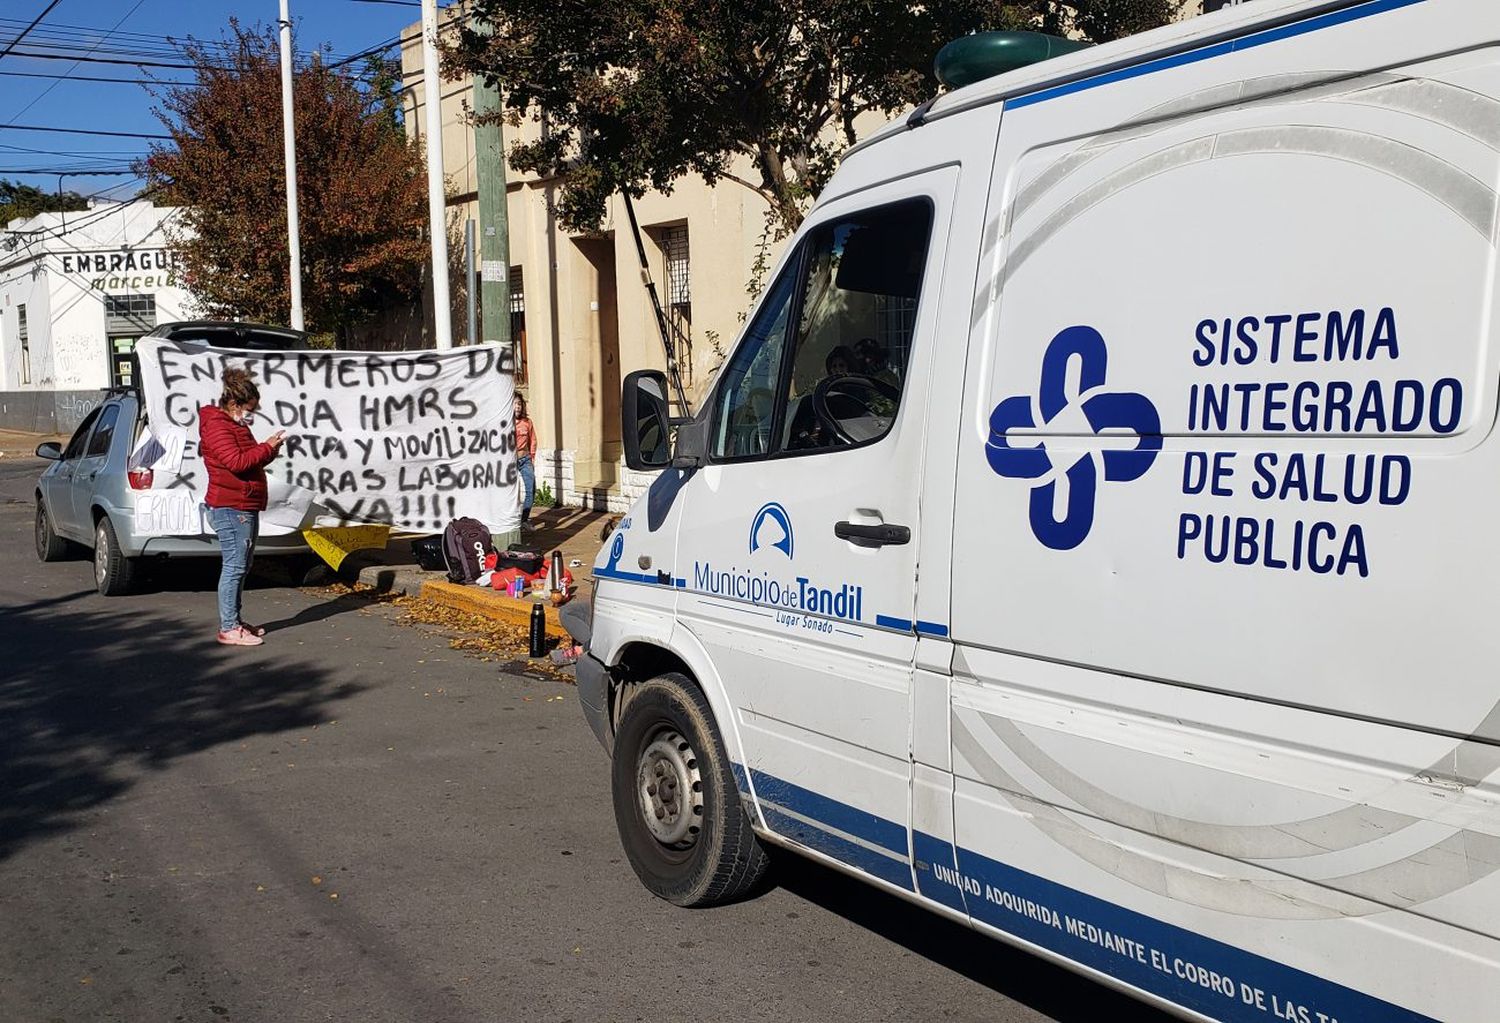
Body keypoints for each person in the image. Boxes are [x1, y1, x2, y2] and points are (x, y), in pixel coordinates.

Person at [198, 367, 285, 647]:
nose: (251, 415)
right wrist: (267, 447)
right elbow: (236, 462)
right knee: (234, 566)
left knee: (241, 565)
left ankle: (234, 620)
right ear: (234, 404)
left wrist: (269, 452)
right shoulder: (218, 426)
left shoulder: (234, 425)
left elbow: (248, 459)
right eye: (249, 409)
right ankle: (229, 626)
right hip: (231, 506)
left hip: (242, 503)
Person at [514, 393, 538, 528]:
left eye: (519, 404)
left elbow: (533, 440)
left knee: (531, 488)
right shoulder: (506, 422)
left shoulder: (527, 422)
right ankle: (512, 520)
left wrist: (532, 457)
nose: (517, 407)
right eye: (515, 404)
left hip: (525, 459)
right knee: (511, 492)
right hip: (510, 461)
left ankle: (524, 519)